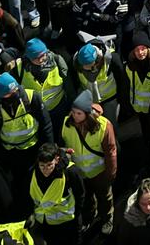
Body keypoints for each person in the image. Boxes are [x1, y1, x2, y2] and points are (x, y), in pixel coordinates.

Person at [61, 90, 117, 234]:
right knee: (86, 198)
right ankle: (90, 216)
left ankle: (107, 218)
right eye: (73, 112)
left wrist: (110, 174)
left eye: (78, 113)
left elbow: (110, 152)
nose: (74, 116)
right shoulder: (67, 124)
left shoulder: (103, 126)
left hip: (99, 172)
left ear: (87, 113)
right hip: (80, 173)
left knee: (104, 197)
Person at [29, 142, 86, 245]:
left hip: (68, 224)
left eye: (49, 165)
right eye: (42, 165)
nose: (45, 170)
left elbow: (80, 195)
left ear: (57, 159)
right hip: (46, 224)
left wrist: (76, 216)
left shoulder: (70, 172)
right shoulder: (32, 172)